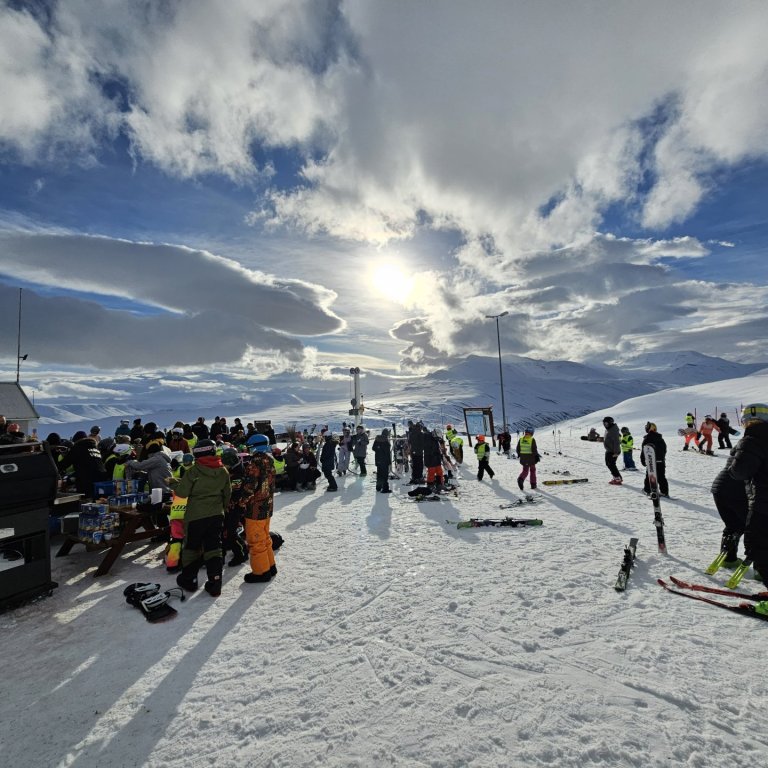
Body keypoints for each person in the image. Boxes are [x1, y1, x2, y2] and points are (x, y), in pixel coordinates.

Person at [174, 439, 232, 596]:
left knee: (192, 547)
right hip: (216, 515)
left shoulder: (193, 471)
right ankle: (215, 582)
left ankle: (189, 580)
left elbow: (181, 493)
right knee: (214, 548)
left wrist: (174, 484)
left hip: (196, 516)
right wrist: (221, 509)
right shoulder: (223, 471)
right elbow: (227, 495)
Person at [727, 404, 768, 599]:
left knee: (757, 546)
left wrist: (736, 455)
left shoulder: (752, 440)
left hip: (763, 503)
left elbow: (739, 472)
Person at [241, 434, 277, 584]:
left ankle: (261, 572)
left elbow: (250, 486)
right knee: (264, 537)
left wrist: (242, 501)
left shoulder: (254, 463)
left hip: (255, 509)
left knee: (255, 541)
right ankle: (270, 565)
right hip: (267, 506)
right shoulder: (269, 460)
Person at [710, 443, 750, 570]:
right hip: (738, 491)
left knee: (734, 524)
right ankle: (762, 569)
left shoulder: (745, 445)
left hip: (719, 489)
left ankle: (728, 559)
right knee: (756, 527)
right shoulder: (760, 446)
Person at [60, 430, 109, 498]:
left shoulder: (78, 448)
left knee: (86, 503)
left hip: (87, 482)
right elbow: (89, 465)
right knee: (99, 501)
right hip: (102, 480)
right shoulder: (95, 448)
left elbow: (64, 464)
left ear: (76, 441)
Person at [640, 422, 669, 497]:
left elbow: (644, 450)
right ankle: (664, 492)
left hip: (651, 461)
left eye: (647, 427)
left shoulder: (647, 438)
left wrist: (643, 460)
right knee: (661, 477)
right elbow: (664, 449)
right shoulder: (660, 438)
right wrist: (661, 458)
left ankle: (647, 490)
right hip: (661, 461)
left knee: (649, 476)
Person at [423, 427, 445, 492]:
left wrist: (439, 454)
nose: (437, 439)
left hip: (436, 458)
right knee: (431, 472)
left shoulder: (435, 439)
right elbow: (427, 449)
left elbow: (436, 448)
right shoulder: (427, 437)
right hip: (430, 458)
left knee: (439, 471)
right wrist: (433, 453)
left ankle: (439, 484)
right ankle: (430, 485)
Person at [602, 416, 623, 485]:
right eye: (604, 423)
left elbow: (616, 441)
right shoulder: (610, 429)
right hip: (609, 450)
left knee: (611, 464)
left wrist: (616, 452)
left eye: (606, 423)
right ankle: (617, 477)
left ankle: (617, 478)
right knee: (609, 464)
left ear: (610, 423)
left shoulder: (613, 430)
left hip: (613, 451)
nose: (605, 425)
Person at [372, 429, 393, 493]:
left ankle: (378, 487)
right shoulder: (385, 441)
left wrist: (378, 448)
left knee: (379, 474)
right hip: (384, 460)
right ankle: (385, 488)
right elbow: (387, 452)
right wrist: (389, 462)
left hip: (378, 460)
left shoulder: (377, 439)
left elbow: (373, 448)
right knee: (384, 475)